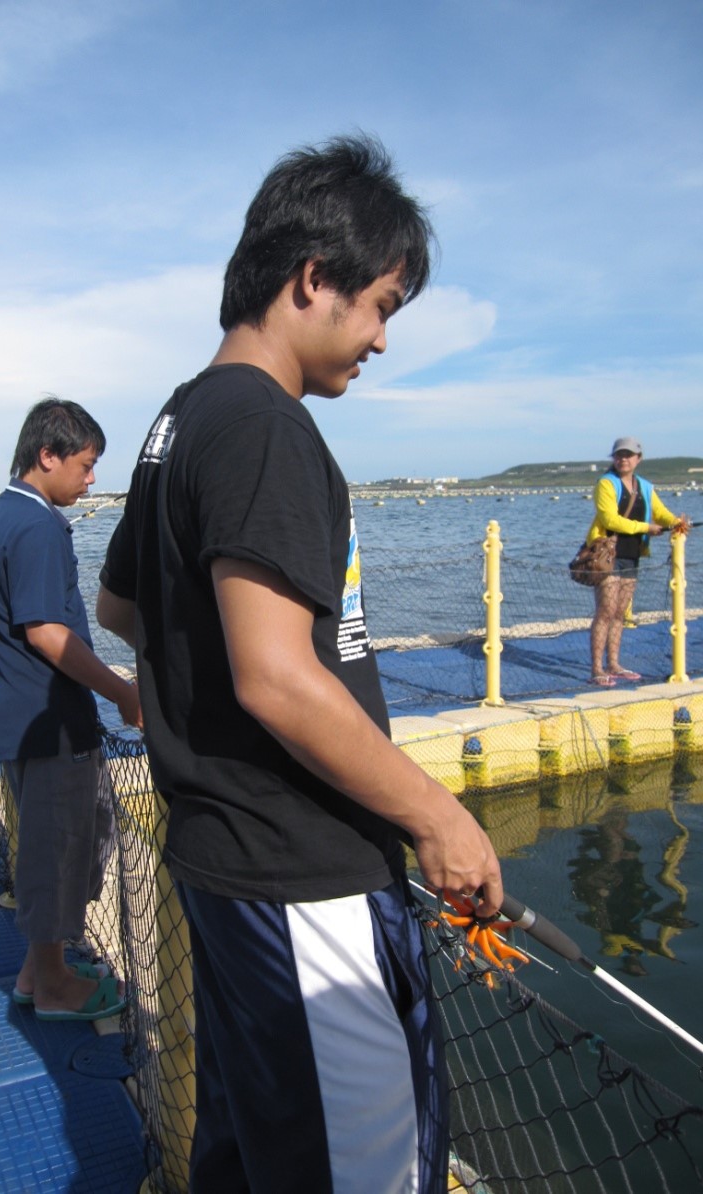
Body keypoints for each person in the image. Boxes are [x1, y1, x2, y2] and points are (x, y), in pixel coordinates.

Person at [97, 135, 502, 1193]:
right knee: (365, 1171)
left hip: (223, 865)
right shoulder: (264, 427)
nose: (378, 339)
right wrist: (439, 818)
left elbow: (119, 602)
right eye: (377, 305)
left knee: (253, 1152)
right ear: (309, 279)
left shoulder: (179, 416)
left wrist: (190, 703)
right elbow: (276, 677)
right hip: (303, 878)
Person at [0, 398, 142, 1022]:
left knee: (52, 848)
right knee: (59, 853)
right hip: (51, 729)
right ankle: (51, 986)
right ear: (48, 457)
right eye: (86, 464)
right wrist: (122, 691)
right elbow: (47, 631)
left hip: (24, 722)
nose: (90, 479)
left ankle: (36, 971)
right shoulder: (39, 526)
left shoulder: (4, 513)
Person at [587, 436, 688, 687]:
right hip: (606, 557)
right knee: (605, 611)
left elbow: (660, 512)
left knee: (620, 611)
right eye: (619, 455)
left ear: (638, 459)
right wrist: (646, 527)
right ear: (613, 458)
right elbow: (610, 520)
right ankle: (597, 668)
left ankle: (614, 663)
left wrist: (676, 522)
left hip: (632, 555)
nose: (623, 459)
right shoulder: (606, 484)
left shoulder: (644, 486)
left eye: (629, 455)